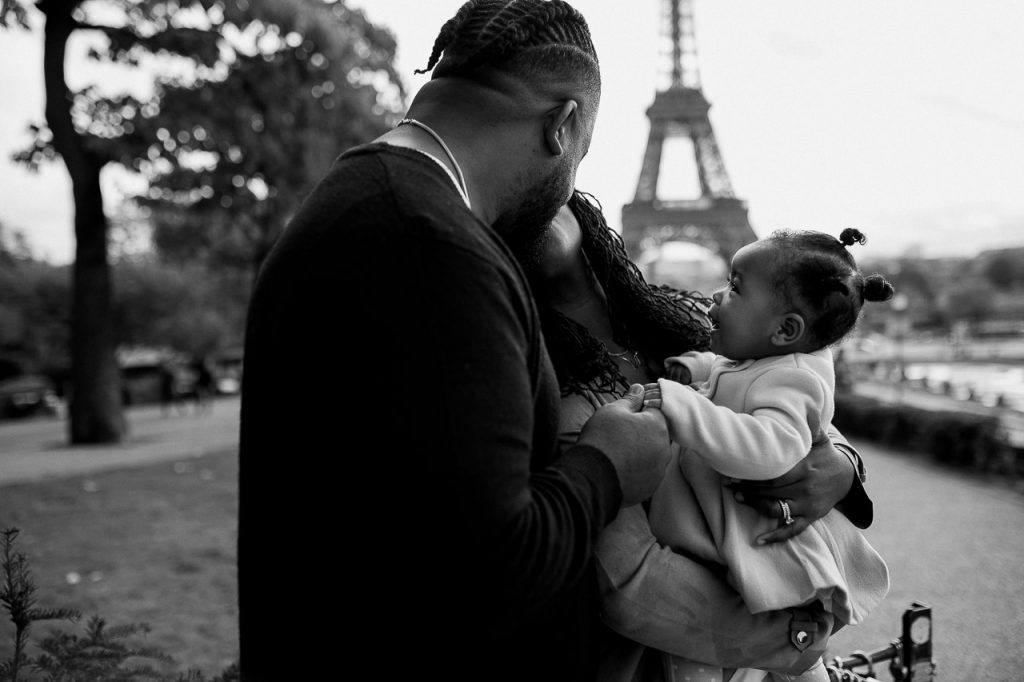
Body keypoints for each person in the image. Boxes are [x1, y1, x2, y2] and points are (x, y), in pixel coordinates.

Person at [237, 3, 674, 681]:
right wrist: (607, 468)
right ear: (562, 127)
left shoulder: (369, 204)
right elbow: (486, 573)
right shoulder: (430, 247)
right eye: (580, 155)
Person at [527, 192, 879, 682]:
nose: (537, 201)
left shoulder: (692, 323)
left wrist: (840, 463)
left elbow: (787, 395)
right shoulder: (554, 393)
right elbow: (636, 583)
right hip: (680, 657)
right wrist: (796, 638)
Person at [641, 228, 894, 681]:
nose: (719, 293)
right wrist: (698, 367)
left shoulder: (796, 379)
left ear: (785, 329)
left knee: (785, 658)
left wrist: (682, 405)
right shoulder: (767, 354)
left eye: (736, 288)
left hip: (759, 543)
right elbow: (730, 372)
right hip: (727, 541)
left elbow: (769, 449)